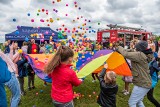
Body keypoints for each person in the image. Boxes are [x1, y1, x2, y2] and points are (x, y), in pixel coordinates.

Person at [115, 41, 152, 107]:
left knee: (131, 103)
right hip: (145, 83)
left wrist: (119, 47)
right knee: (138, 101)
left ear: (140, 49)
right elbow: (131, 51)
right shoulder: (144, 54)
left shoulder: (139, 55)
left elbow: (125, 54)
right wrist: (126, 49)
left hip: (142, 84)